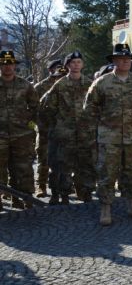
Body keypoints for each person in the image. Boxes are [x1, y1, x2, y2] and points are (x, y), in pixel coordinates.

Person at [84, 44, 132, 225]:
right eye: (122, 59)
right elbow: (90, 108)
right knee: (107, 172)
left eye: (128, 59)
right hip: (109, 137)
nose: (126, 61)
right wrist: (101, 126)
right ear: (114, 61)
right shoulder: (102, 82)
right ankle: (106, 208)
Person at [40, 51, 95, 205]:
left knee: (86, 164)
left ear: (82, 65)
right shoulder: (60, 84)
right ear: (67, 65)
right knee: (62, 165)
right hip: (64, 133)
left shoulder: (90, 84)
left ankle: (87, 193)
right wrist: (57, 125)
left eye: (78, 62)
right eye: (72, 62)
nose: (76, 65)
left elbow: (96, 107)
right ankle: (61, 194)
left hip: (85, 133)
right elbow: (46, 107)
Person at [0, 51, 39, 210]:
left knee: (22, 167)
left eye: (10, 64)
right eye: (4, 64)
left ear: (15, 65)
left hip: (21, 135)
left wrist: (29, 126)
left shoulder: (25, 85)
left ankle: (24, 197)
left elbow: (36, 107)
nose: (7, 67)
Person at [33, 58, 63, 198]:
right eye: (57, 67)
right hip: (45, 130)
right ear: (50, 70)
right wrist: (40, 124)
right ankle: (41, 186)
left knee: (62, 160)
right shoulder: (40, 87)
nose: (60, 70)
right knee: (43, 159)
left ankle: (63, 187)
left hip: (62, 130)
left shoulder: (66, 83)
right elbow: (33, 109)